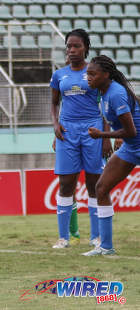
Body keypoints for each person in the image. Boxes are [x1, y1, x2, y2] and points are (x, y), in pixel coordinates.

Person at [50, 29, 112, 249]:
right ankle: (63, 238)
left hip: (92, 130)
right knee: (66, 183)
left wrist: (106, 137)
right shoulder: (59, 75)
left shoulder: (95, 73)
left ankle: (96, 236)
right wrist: (56, 126)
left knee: (94, 184)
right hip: (67, 131)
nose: (72, 50)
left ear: (86, 47)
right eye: (68, 46)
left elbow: (105, 105)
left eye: (76, 46)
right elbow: (54, 103)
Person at [82, 55, 140, 256]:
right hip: (132, 147)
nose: (88, 78)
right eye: (87, 73)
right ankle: (105, 247)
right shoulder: (102, 92)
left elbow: (131, 131)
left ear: (105, 75)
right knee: (101, 187)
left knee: (100, 187)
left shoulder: (115, 94)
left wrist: (102, 135)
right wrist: (113, 134)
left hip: (134, 141)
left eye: (92, 74)